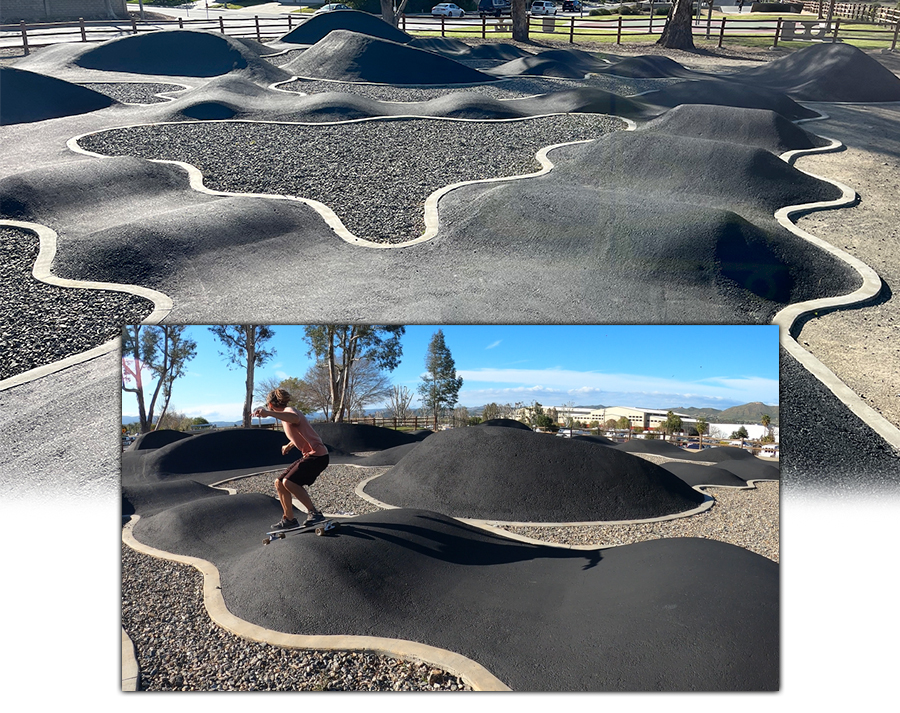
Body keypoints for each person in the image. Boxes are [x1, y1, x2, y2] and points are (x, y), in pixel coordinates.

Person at [252, 388, 329, 530]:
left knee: (289, 482)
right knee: (279, 482)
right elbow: (301, 432)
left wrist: (268, 413)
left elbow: (295, 418)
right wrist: (289, 445)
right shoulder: (286, 416)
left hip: (318, 456)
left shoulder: (289, 411)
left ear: (270, 405)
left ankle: (315, 513)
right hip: (312, 455)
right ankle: (289, 519)